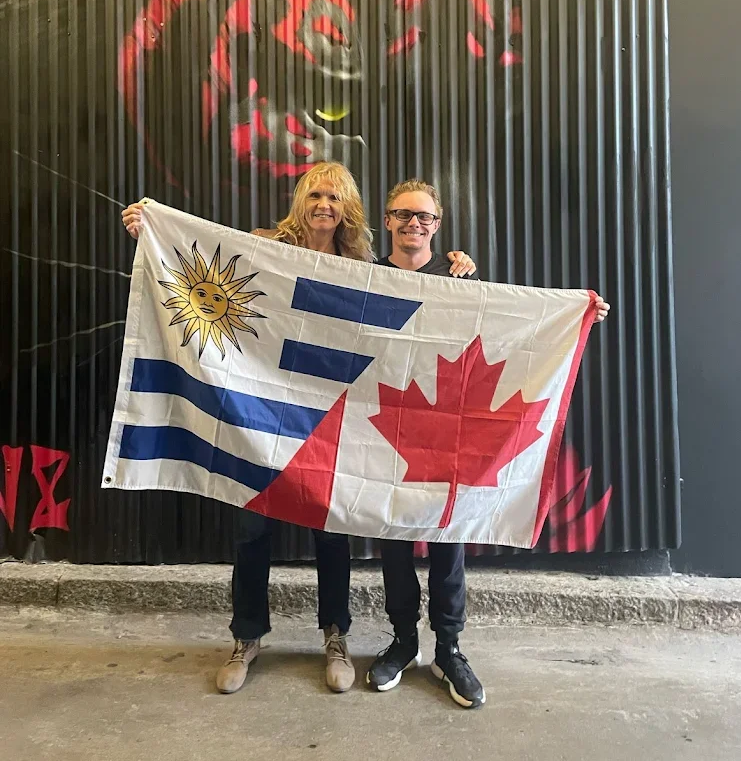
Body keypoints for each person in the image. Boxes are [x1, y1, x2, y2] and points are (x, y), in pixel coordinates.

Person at [120, 162, 477, 696]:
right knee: (252, 528)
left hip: (334, 416)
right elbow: (202, 255)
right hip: (263, 411)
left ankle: (340, 636)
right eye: (315, 195)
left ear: (349, 207)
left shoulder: (362, 263)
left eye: (334, 197)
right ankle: (248, 637)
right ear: (301, 200)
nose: (323, 205)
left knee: (337, 531)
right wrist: (153, 229)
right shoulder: (265, 246)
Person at [365, 179, 610, 709]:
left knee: (450, 540)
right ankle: (403, 641)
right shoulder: (366, 277)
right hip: (388, 428)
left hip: (450, 432)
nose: (415, 224)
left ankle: (448, 649)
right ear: (387, 220)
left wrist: (578, 313)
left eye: (425, 217)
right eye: (404, 215)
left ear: (439, 222)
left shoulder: (462, 280)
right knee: (394, 541)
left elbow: (512, 325)